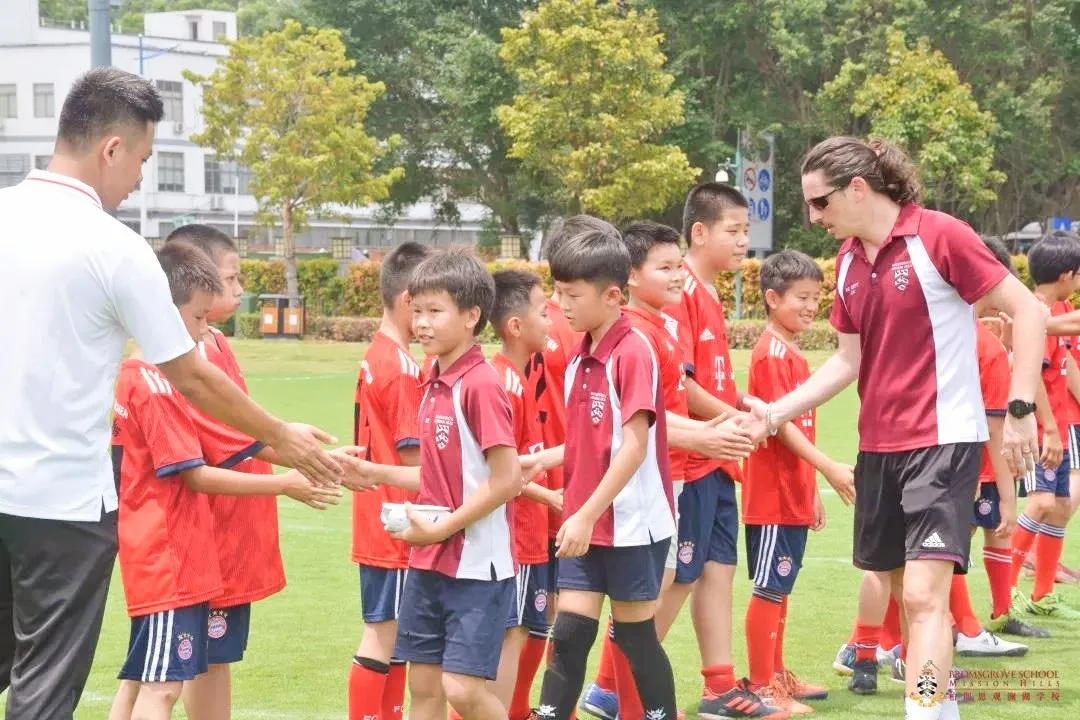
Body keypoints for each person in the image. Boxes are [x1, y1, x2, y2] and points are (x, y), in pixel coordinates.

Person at [0, 66, 338, 719]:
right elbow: (190, 373)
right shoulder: (114, 246)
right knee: (42, 686)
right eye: (144, 159)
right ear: (112, 148)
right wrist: (280, 437)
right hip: (62, 507)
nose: (140, 178)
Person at [742, 136, 1044, 720]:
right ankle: (938, 706)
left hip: (942, 443)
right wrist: (774, 413)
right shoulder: (848, 263)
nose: (814, 216)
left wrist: (1021, 409)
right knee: (908, 596)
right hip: (878, 450)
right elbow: (847, 361)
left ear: (858, 188)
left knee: (924, 596)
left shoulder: (940, 235)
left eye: (821, 202)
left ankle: (924, 711)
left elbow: (1027, 309)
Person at [107, 244, 340, 720]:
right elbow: (194, 474)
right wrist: (283, 484)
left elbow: (226, 441)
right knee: (161, 688)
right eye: (197, 316)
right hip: (168, 559)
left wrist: (300, 453)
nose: (203, 328)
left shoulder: (150, 375)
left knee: (149, 679)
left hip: (174, 558)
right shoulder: (154, 382)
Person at [579, 220, 758, 720]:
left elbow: (663, 409)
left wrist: (717, 425)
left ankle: (621, 695)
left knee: (664, 585)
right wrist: (707, 435)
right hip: (651, 482)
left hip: (670, 475)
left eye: (679, 265)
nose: (679, 275)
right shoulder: (636, 333)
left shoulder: (660, 327)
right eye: (665, 267)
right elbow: (638, 421)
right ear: (631, 277)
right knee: (644, 597)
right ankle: (618, 695)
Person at [342, 250, 522, 720]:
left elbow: (506, 479)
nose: (421, 323)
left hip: (476, 567)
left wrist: (443, 529)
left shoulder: (480, 384)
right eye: (417, 310)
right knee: (423, 688)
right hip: (429, 562)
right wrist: (376, 473)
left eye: (434, 311)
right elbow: (439, 476)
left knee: (462, 691)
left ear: (471, 316)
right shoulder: (432, 379)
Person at [165, 224, 321, 719]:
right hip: (208, 536)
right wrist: (296, 464)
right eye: (230, 279)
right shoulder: (186, 357)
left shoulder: (214, 343)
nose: (239, 289)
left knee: (206, 660)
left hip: (228, 533)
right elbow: (221, 444)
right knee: (176, 671)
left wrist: (295, 442)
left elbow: (245, 427)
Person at [527, 227, 678, 720]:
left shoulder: (632, 351)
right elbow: (591, 441)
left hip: (630, 524)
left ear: (612, 296)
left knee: (635, 638)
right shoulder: (581, 354)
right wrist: (543, 460)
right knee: (570, 634)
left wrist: (586, 515)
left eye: (572, 295)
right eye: (557, 292)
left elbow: (633, 446)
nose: (560, 305)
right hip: (586, 523)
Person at [659, 183, 774, 718]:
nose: (744, 241)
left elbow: (712, 380)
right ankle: (614, 685)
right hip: (693, 458)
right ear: (700, 232)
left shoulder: (706, 291)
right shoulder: (681, 290)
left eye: (746, 230)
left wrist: (744, 406)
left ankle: (720, 687)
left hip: (719, 458)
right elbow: (680, 386)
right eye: (734, 230)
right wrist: (735, 417)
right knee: (677, 578)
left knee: (717, 570)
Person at [741, 250, 847, 714]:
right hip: (771, 495)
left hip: (792, 492)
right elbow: (777, 424)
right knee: (769, 587)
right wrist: (826, 466)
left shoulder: (792, 352)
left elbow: (799, 424)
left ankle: (777, 672)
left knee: (780, 584)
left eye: (815, 297)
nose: (810, 306)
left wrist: (810, 490)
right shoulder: (770, 354)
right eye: (801, 297)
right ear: (772, 298)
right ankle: (761, 683)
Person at [345, 241, 432, 720]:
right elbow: (414, 458)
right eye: (427, 306)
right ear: (407, 301)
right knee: (383, 633)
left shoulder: (377, 354)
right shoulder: (400, 367)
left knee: (394, 634)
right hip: (396, 519)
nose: (429, 319)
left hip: (381, 515)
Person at [488, 269, 562, 720]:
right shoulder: (503, 382)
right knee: (510, 633)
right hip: (513, 537)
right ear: (515, 326)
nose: (551, 320)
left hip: (528, 536)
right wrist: (551, 498)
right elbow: (502, 470)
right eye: (542, 311)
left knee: (527, 628)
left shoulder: (517, 378)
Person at [1007, 233, 1080, 620]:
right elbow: (1031, 374)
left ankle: (1043, 593)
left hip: (1061, 425)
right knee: (1041, 503)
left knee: (1061, 505)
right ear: (1067, 275)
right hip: (1040, 428)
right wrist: (1049, 426)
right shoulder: (1035, 310)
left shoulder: (1051, 311)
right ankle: (1005, 590)